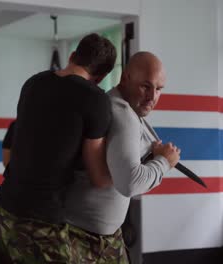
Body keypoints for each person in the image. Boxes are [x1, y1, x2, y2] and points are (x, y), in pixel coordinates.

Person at [0, 33, 117, 263]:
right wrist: (140, 168)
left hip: (0, 211)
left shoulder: (33, 83)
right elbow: (98, 177)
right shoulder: (95, 99)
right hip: (39, 223)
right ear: (102, 76)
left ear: (72, 56)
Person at [65, 52, 181, 263]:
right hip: (85, 240)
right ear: (125, 78)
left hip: (97, 235)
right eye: (145, 86)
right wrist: (164, 162)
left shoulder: (117, 104)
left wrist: (152, 157)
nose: (152, 96)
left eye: (159, 89)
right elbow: (129, 183)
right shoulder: (123, 114)